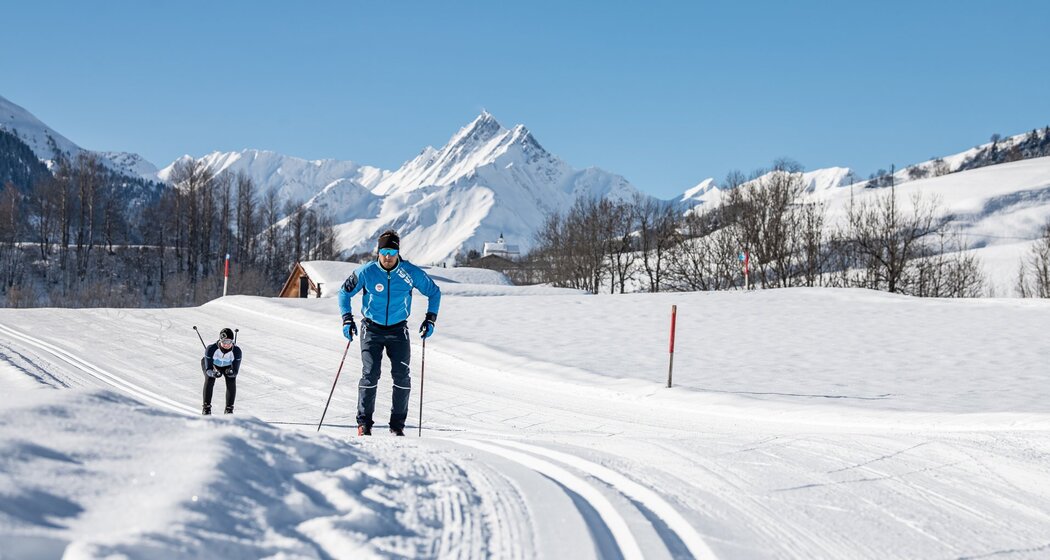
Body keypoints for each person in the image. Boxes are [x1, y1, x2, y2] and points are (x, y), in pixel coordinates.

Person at [338, 230, 441, 436]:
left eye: (392, 252)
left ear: (397, 253)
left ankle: (397, 426)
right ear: (378, 252)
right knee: (370, 374)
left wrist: (430, 319)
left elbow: (434, 292)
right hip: (371, 329)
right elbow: (344, 292)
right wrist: (346, 319)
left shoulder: (409, 272)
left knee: (402, 377)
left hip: (398, 330)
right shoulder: (366, 272)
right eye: (384, 251)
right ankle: (364, 424)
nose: (387, 256)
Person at [201, 327, 242, 415]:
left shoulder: (236, 351)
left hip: (227, 367)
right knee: (210, 379)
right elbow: (208, 369)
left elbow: (235, 371)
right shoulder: (211, 349)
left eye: (229, 342)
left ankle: (229, 409)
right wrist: (213, 373)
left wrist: (231, 372)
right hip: (213, 366)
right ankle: (206, 408)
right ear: (220, 340)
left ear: (232, 341)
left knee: (231, 379)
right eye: (224, 342)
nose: (226, 344)